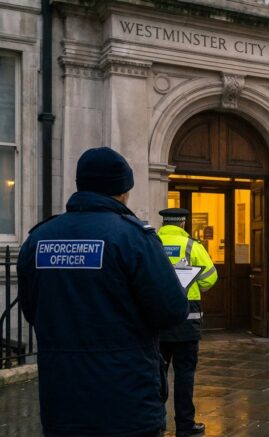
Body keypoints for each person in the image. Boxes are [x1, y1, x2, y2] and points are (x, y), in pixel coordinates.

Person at [17, 147, 189, 437]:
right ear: (123, 190)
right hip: (127, 400)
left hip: (62, 399)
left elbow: (31, 311)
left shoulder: (39, 239)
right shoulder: (133, 237)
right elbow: (172, 310)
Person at [157, 208, 218, 437]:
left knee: (156, 373)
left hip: (158, 317)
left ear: (164, 223)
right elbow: (211, 277)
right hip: (186, 319)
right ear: (182, 223)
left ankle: (157, 423)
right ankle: (185, 425)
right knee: (184, 374)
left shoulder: (152, 243)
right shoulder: (192, 246)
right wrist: (193, 286)